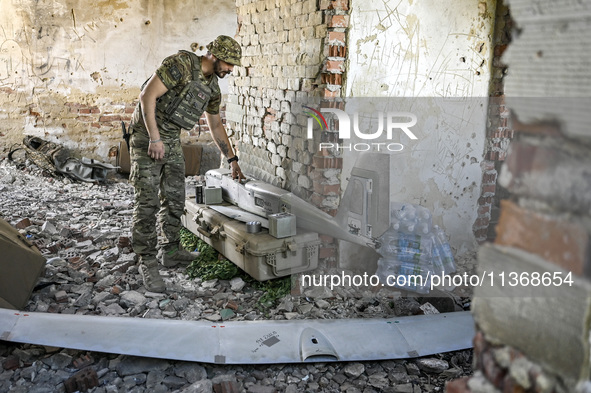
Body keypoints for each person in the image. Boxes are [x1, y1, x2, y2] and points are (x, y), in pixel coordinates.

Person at [128, 35, 245, 293]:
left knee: (175, 197)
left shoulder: (213, 88)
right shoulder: (181, 64)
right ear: (214, 55)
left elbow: (215, 125)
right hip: (147, 133)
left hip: (169, 138)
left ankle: (169, 251)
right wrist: (154, 139)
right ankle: (146, 260)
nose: (230, 69)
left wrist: (232, 159)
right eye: (228, 63)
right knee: (147, 201)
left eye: (234, 65)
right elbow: (147, 96)